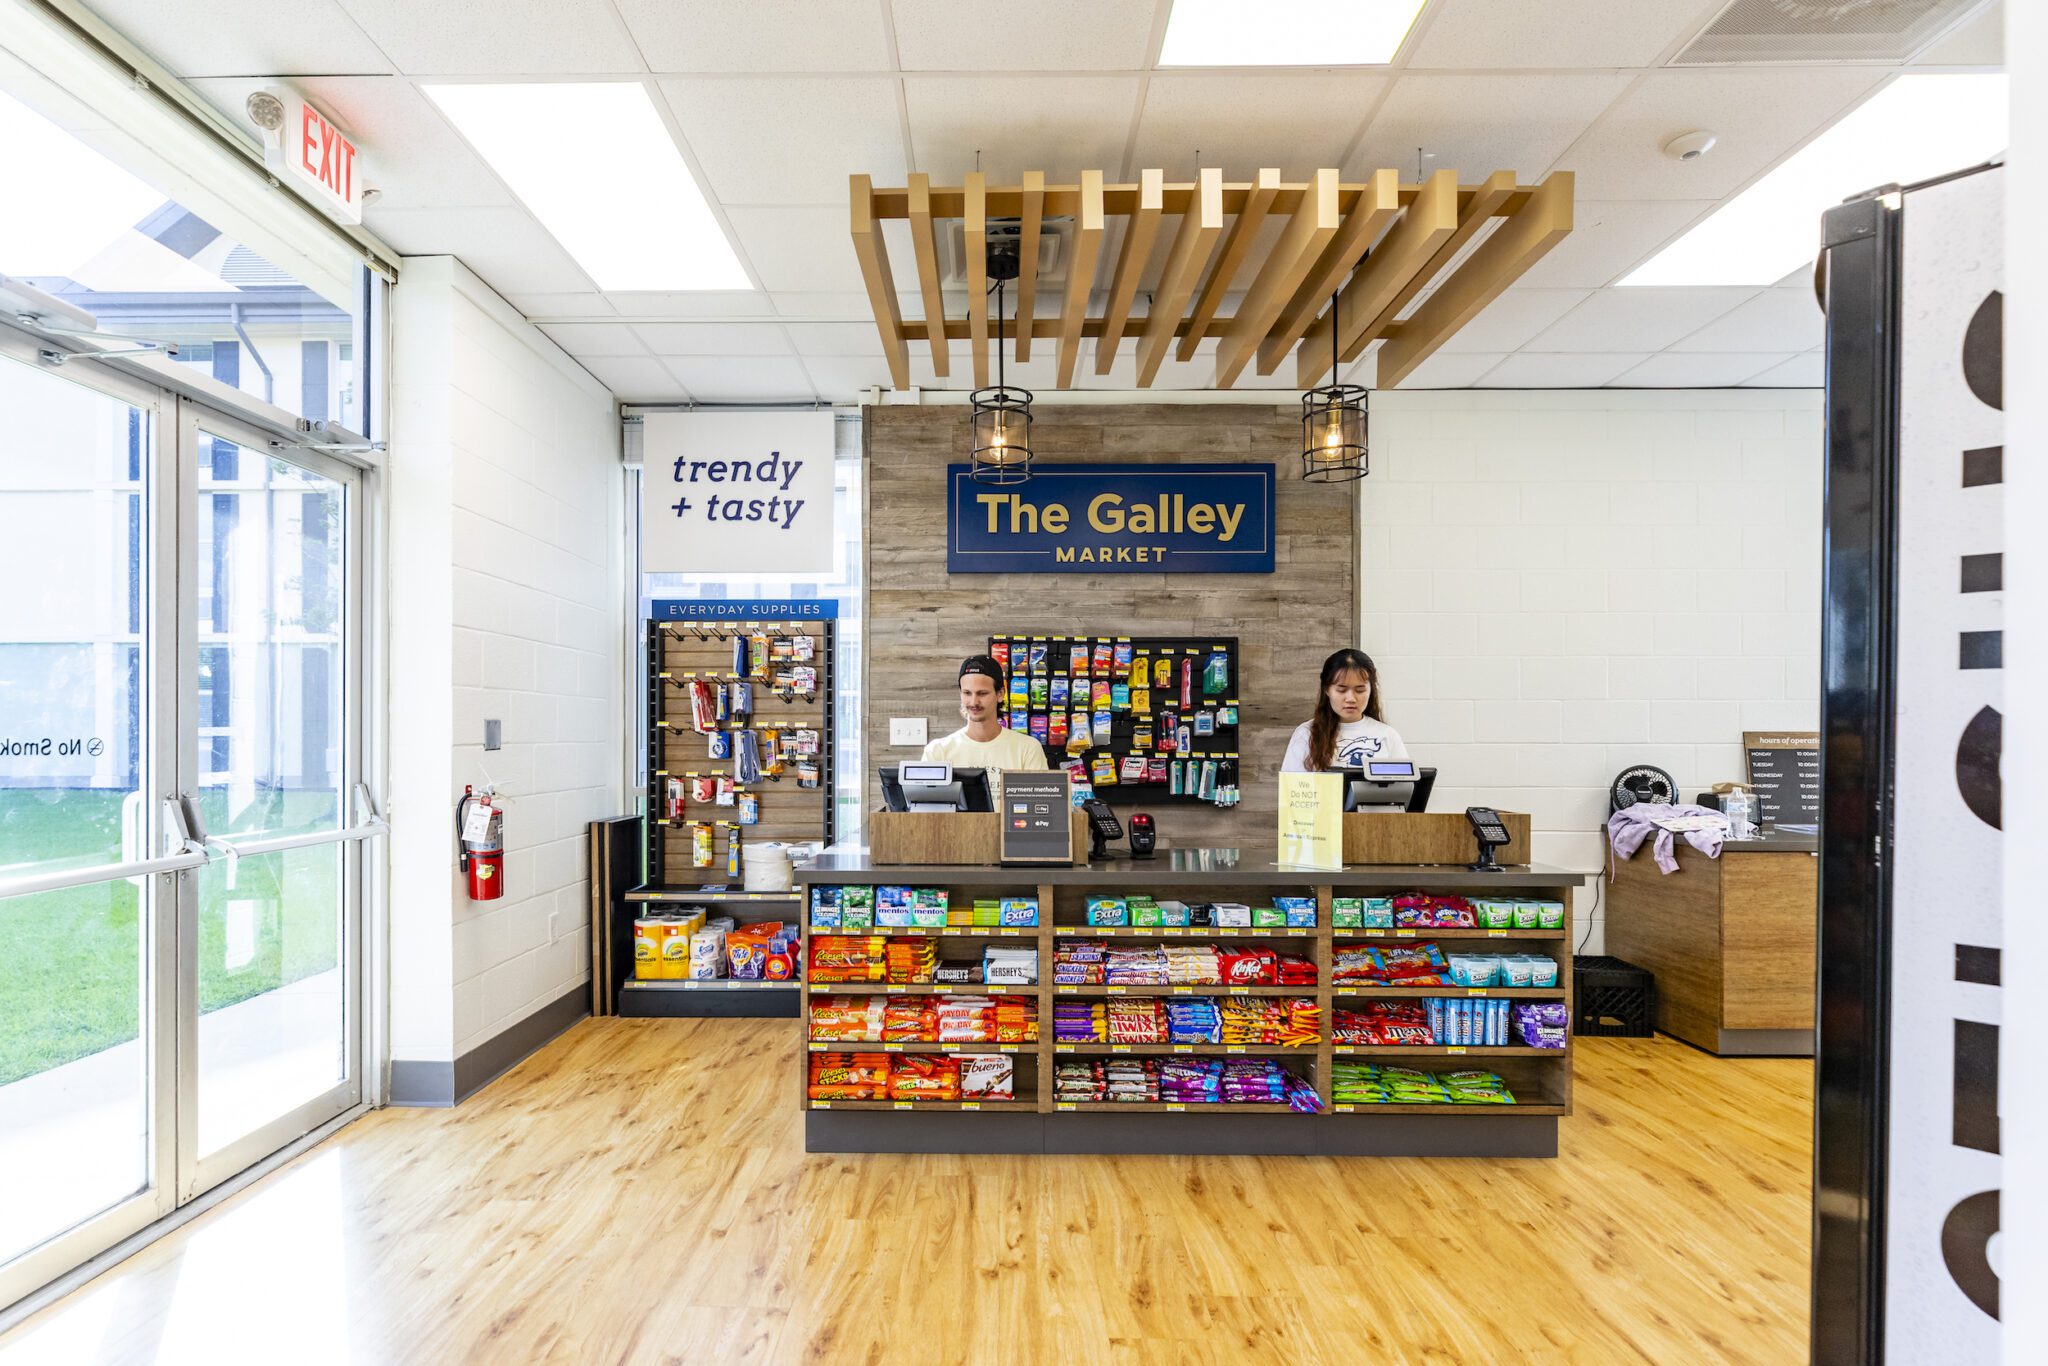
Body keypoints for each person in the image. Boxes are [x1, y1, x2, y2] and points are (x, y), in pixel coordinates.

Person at [1280, 648, 1409, 772]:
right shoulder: (1306, 734)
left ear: (1371, 690)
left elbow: (1404, 788)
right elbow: (1292, 790)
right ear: (1327, 689)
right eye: (1341, 690)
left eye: (1360, 690)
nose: (1351, 698)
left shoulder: (1387, 735)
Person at [921, 655, 1050, 775]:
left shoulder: (1028, 749)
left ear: (1000, 694)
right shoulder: (937, 752)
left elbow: (1042, 800)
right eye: (967, 693)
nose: (973, 702)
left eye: (982, 693)